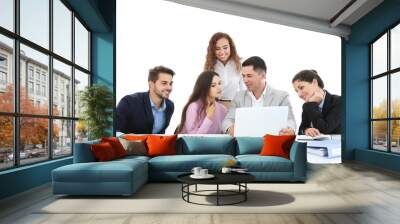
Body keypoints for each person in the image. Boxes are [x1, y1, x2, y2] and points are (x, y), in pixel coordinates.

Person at [222, 56, 296, 136]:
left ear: (263, 75)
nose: (245, 80)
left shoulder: (281, 96)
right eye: (243, 76)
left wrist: (290, 129)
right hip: (245, 144)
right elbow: (227, 121)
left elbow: (291, 121)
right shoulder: (238, 97)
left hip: (271, 143)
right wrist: (230, 128)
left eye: (249, 76)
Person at [116, 66, 175, 134]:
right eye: (164, 83)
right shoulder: (129, 102)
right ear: (151, 84)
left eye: (170, 83)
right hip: (129, 143)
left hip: (155, 144)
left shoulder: (169, 106)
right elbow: (115, 131)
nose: (169, 88)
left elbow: (160, 133)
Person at [292, 69, 341, 136]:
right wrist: (306, 130)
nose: (299, 94)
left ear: (315, 83)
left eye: (301, 87)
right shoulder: (307, 105)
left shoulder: (339, 102)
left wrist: (312, 105)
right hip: (314, 145)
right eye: (296, 91)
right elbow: (301, 130)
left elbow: (325, 129)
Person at [204, 32, 244, 107]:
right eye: (217, 49)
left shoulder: (240, 63)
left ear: (231, 47)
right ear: (213, 50)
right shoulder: (210, 66)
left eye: (225, 48)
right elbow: (205, 90)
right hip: (216, 106)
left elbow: (244, 89)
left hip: (235, 105)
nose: (222, 52)